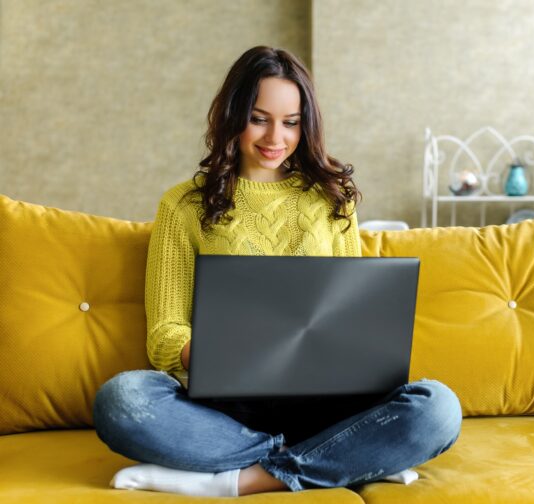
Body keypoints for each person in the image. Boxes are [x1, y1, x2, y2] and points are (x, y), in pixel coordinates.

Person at [92, 45, 462, 497]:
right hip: (227, 411)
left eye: (290, 122)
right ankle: (342, 460)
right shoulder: (183, 205)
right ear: (232, 116)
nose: (275, 137)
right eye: (259, 118)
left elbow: (353, 313)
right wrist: (225, 357)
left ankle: (241, 480)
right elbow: (166, 333)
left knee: (438, 408)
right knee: (122, 400)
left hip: (329, 404)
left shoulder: (332, 200)